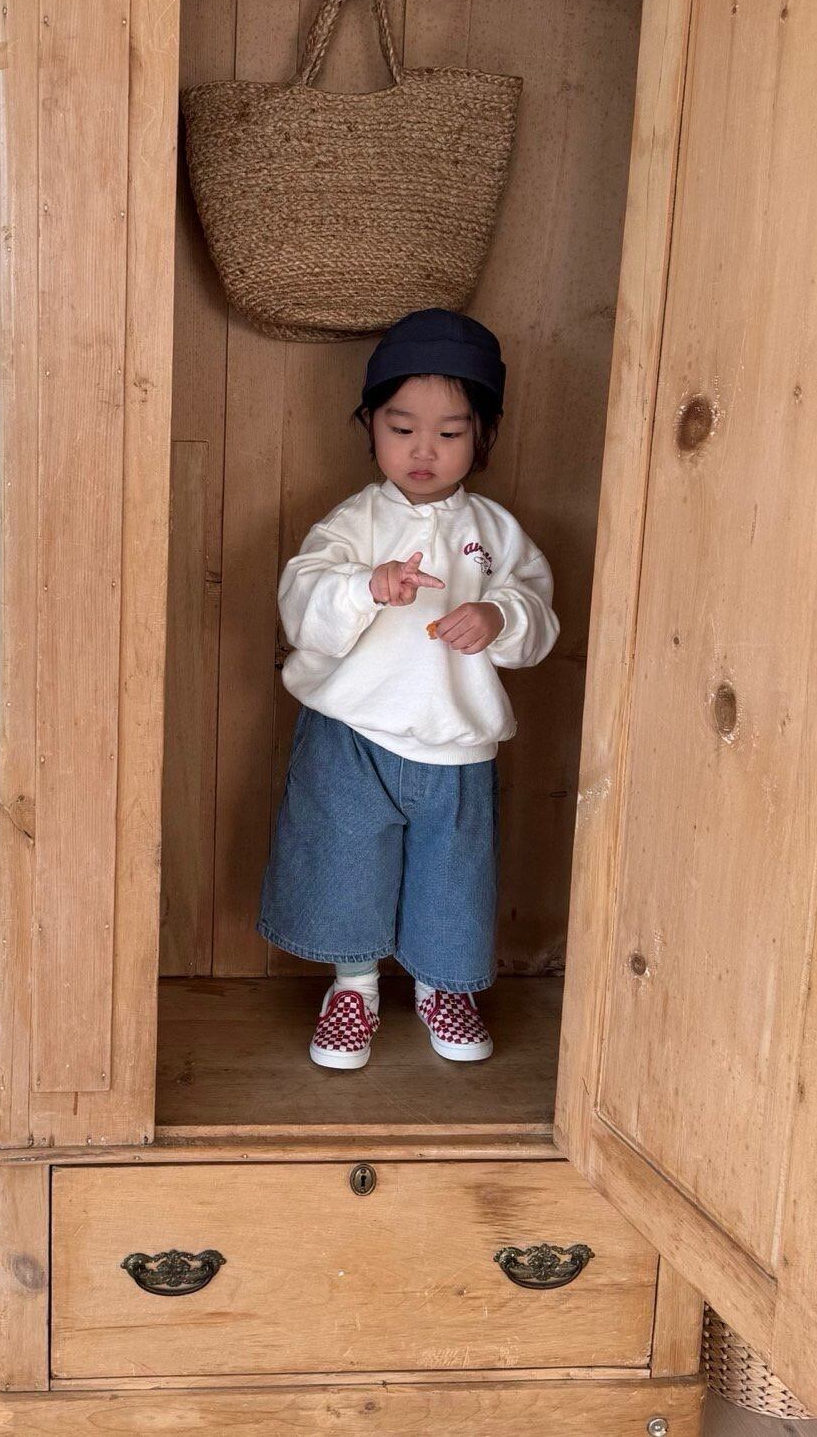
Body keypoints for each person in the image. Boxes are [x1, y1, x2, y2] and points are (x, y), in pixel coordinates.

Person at [256, 308, 559, 1069]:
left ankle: (441, 986)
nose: (424, 450)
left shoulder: (496, 532)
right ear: (370, 426)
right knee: (344, 861)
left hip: (456, 742)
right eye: (402, 428)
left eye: (450, 432)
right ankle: (352, 987)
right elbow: (301, 601)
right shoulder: (354, 522)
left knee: (452, 876)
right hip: (351, 736)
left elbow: (537, 612)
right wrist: (366, 586)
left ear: (483, 435)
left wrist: (498, 617)